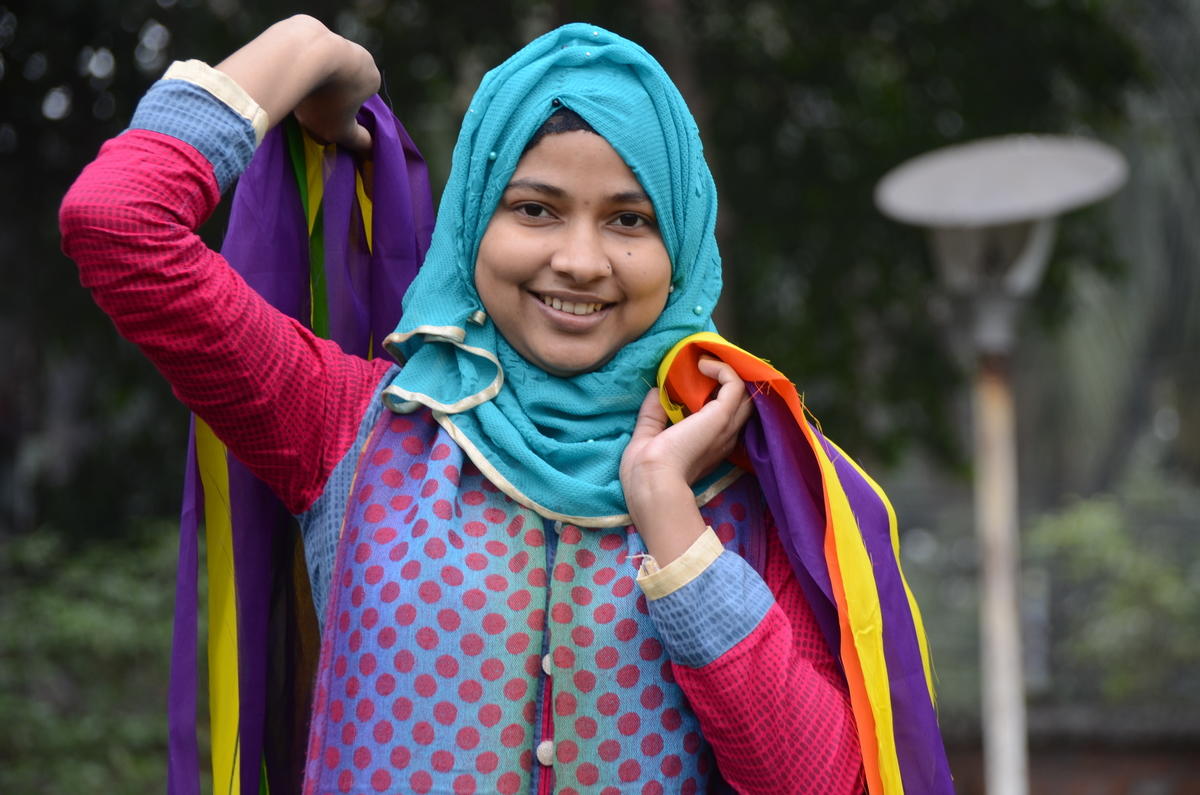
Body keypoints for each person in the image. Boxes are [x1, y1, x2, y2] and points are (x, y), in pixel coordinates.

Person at [62, 15, 945, 794]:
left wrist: (675, 529)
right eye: (535, 209)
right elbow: (117, 223)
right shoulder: (349, 429)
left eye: (630, 220)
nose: (581, 259)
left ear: (682, 245)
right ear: (472, 220)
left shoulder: (749, 484)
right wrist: (299, 45)